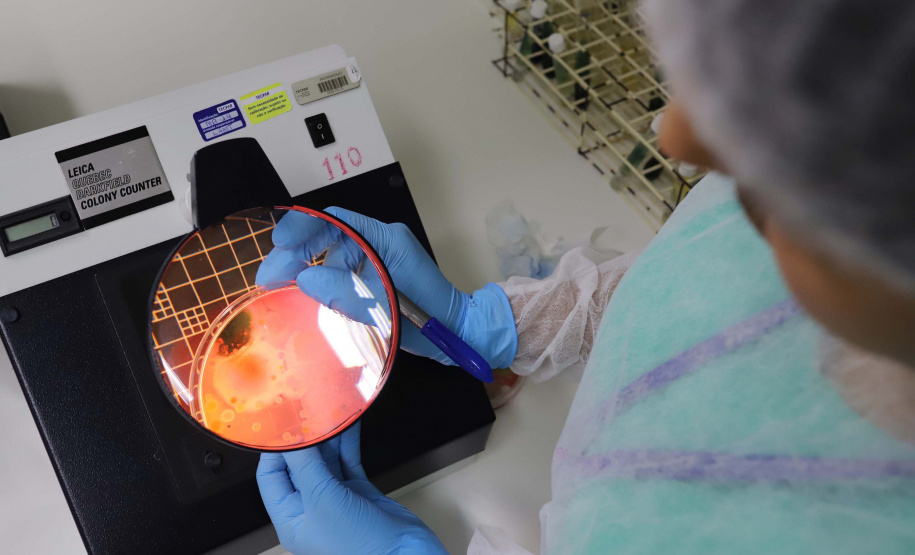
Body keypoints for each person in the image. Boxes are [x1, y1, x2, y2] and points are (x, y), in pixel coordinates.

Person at [255, 0, 915, 552]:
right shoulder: (862, 168)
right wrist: (490, 324)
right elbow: (704, 280)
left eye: (758, 127)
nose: (672, 135)